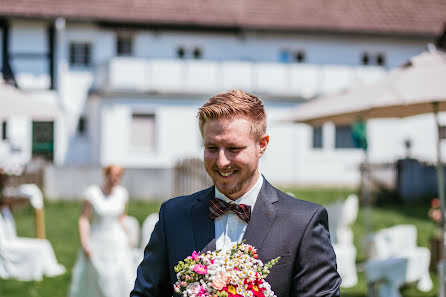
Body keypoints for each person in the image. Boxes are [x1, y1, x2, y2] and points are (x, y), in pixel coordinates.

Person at [131, 90, 341, 297]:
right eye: (212, 147)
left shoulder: (303, 223)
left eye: (233, 148)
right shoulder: (173, 216)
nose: (222, 161)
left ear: (262, 145)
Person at [69, 165, 135, 297]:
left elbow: (121, 217)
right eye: (113, 175)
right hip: (97, 238)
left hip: (117, 239)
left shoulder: (122, 193)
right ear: (106, 175)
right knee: (95, 274)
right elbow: (84, 219)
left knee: (119, 274)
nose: (116, 178)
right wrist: (85, 242)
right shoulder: (92, 193)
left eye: (119, 176)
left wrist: (130, 235)